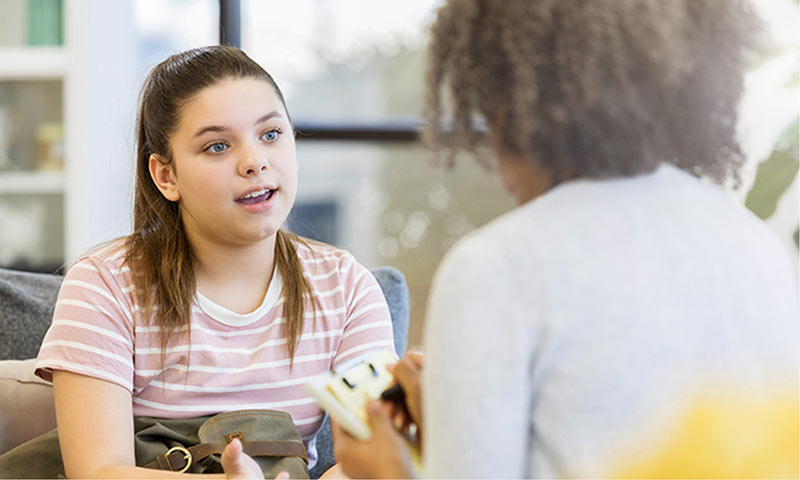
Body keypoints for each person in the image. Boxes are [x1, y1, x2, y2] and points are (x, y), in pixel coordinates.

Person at [332, 0, 799, 478]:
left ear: (511, 103)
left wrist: (390, 471)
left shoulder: (497, 266)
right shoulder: (752, 243)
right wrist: (455, 429)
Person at [3, 45, 396, 479]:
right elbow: (97, 471)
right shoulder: (105, 283)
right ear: (166, 176)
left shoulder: (347, 287)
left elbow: (372, 462)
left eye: (270, 134)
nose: (255, 162)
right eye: (217, 146)